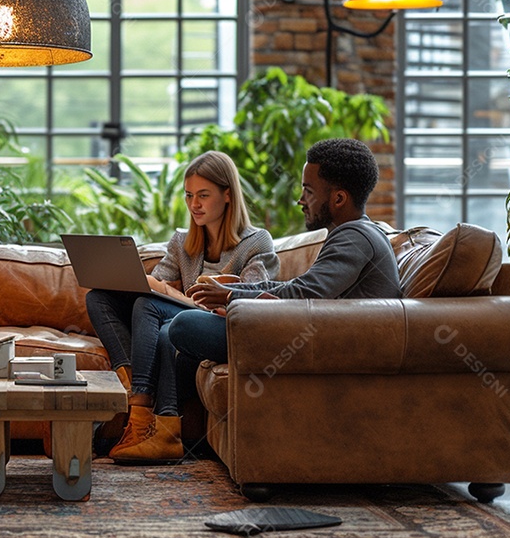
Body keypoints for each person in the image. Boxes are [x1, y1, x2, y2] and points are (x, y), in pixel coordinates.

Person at [165, 138, 402, 458]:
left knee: (183, 326)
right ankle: (183, 438)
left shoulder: (355, 237)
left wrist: (231, 295)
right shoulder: (357, 232)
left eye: (309, 190)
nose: (300, 200)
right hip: (306, 332)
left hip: (309, 341)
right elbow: (302, 286)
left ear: (339, 198)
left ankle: (166, 434)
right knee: (187, 346)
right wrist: (236, 291)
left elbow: (304, 293)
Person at [87, 151, 280, 464]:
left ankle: (141, 412)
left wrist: (176, 296)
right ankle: (136, 380)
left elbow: (249, 298)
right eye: (189, 196)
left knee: (156, 315)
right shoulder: (182, 242)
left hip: (212, 327)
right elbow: (157, 281)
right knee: (99, 297)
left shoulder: (256, 243)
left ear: (227, 195)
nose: (195, 205)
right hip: (181, 319)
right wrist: (136, 280)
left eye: (204, 195)